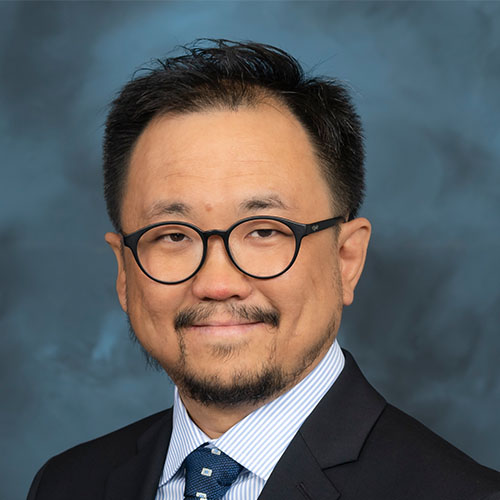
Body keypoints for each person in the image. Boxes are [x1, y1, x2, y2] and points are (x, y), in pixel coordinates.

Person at [27, 39, 500, 500]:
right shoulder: (68, 483)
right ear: (125, 274)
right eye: (173, 235)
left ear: (346, 259)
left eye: (265, 232)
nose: (216, 284)